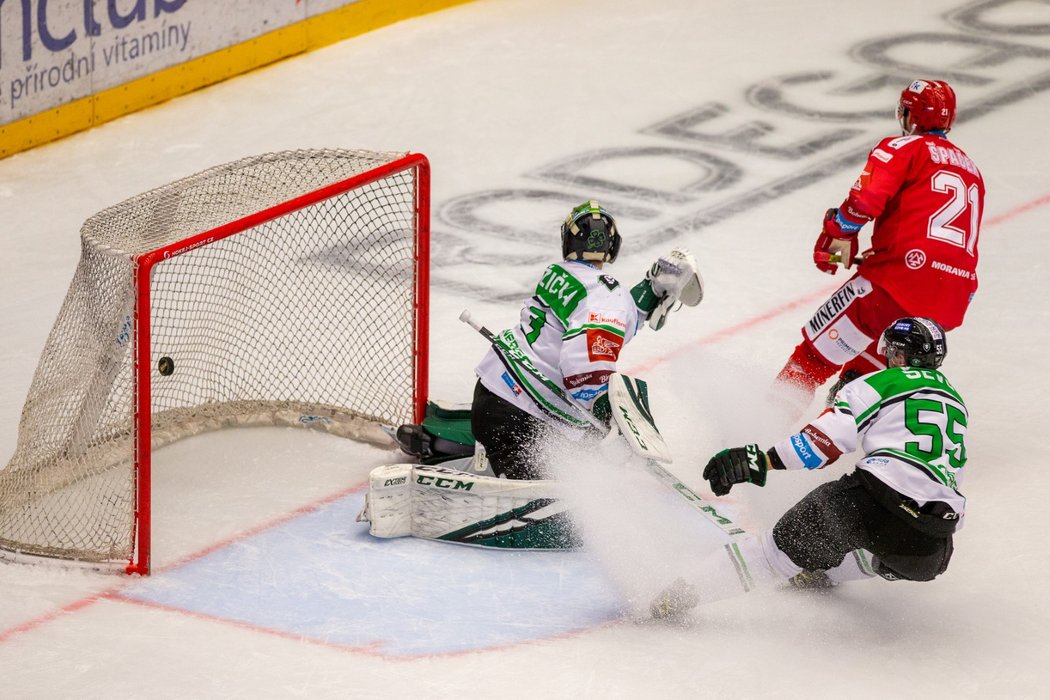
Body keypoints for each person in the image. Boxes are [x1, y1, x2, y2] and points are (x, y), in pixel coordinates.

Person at [652, 317, 967, 618]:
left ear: (900, 354)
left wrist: (759, 461)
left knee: (773, 553)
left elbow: (822, 444)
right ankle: (822, 571)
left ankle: (679, 595)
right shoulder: (955, 402)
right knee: (881, 542)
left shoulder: (882, 382)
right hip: (933, 546)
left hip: (871, 501)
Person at [776, 79, 984, 411]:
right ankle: (842, 436)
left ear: (909, 115)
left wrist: (838, 232)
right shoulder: (972, 170)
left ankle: (757, 432)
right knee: (868, 375)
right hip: (952, 297)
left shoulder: (905, 148)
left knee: (813, 356)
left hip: (897, 282)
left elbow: (865, 200)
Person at [470, 200, 702, 480]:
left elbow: (608, 316)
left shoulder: (559, 273)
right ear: (612, 246)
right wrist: (611, 420)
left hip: (491, 392)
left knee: (587, 454)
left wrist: (653, 289)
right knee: (572, 502)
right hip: (524, 419)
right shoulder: (607, 296)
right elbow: (585, 364)